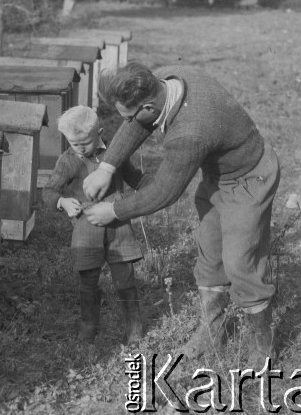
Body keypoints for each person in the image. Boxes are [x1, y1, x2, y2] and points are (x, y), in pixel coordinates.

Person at [83, 62, 280, 368]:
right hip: (218, 176)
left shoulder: (190, 134)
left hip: (249, 179)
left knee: (240, 263)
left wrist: (114, 210)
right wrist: (108, 166)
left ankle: (262, 345)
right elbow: (136, 124)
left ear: (149, 106)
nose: (127, 122)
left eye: (128, 115)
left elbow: (164, 191)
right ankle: (211, 330)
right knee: (211, 253)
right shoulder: (167, 76)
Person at [42, 105, 146, 345]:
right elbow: (48, 191)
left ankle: (134, 327)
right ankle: (89, 325)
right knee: (88, 279)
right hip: (86, 226)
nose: (79, 149)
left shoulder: (115, 153)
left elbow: (134, 177)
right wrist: (62, 202)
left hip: (118, 224)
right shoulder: (68, 161)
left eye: (84, 143)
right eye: (73, 143)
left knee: (125, 278)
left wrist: (154, 187)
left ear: (99, 132)